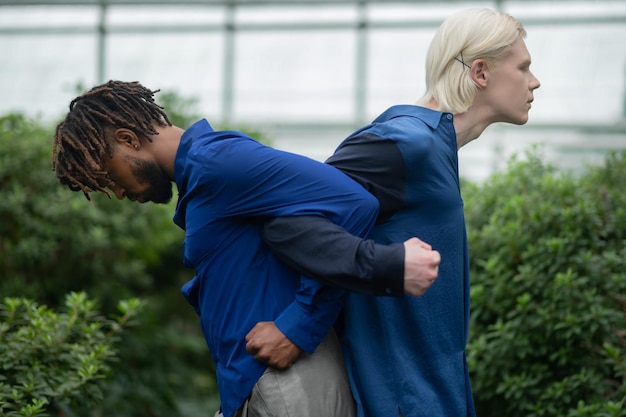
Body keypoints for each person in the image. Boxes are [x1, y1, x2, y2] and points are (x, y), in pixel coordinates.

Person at [51, 80, 442, 417]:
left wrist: (299, 325)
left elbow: (354, 203)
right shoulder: (203, 176)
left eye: (110, 175)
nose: (117, 193)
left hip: (289, 384)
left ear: (127, 139)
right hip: (258, 385)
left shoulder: (219, 160)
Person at [255, 7, 541, 417]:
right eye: (524, 67)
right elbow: (290, 221)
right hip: (400, 399)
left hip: (430, 395)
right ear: (480, 72)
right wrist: (300, 324)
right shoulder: (406, 143)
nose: (534, 81)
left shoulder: (434, 148)